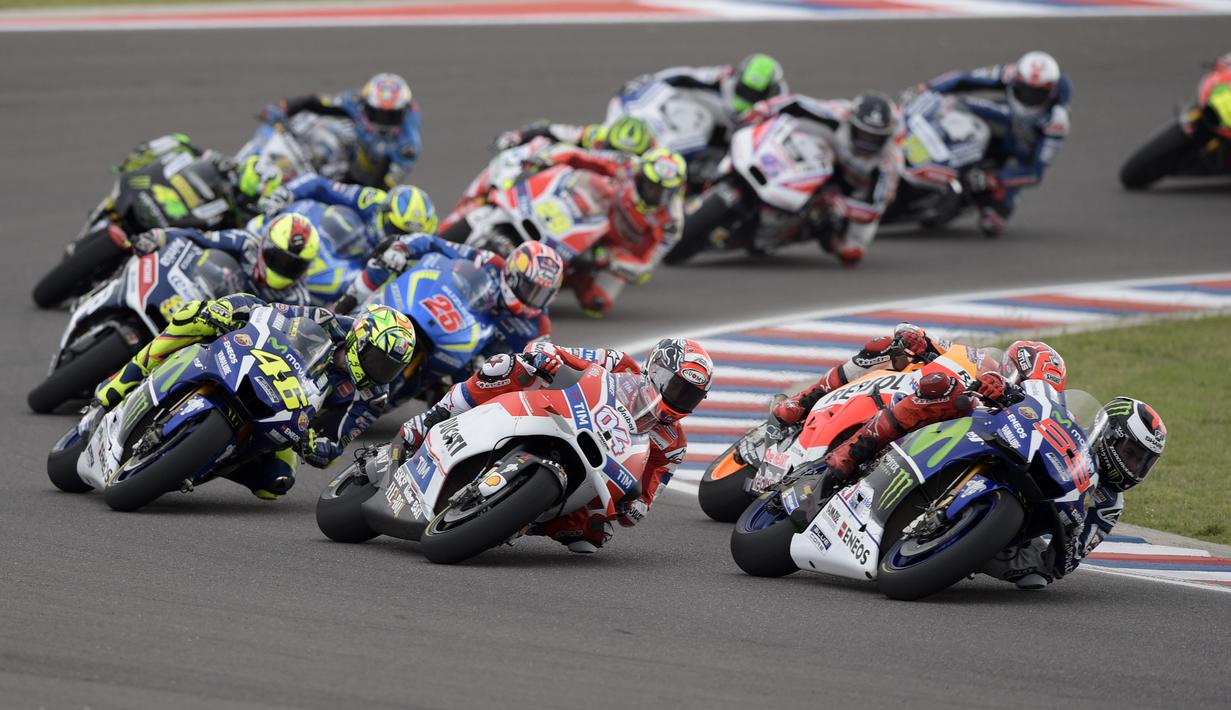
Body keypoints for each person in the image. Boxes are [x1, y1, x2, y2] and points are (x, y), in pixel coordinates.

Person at [398, 337, 715, 553]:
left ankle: (520, 518)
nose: (681, 399)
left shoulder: (673, 444)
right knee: (507, 366)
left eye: (690, 395)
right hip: (561, 411)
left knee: (593, 536)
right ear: (658, 371)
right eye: (677, 387)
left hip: (599, 462)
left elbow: (647, 494)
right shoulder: (619, 363)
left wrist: (638, 505)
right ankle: (433, 419)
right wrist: (546, 356)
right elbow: (553, 350)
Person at [93, 295, 418, 499]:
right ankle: (121, 383)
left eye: (390, 368)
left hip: (288, 417)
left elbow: (336, 446)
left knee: (276, 482)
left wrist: (310, 444)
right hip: (258, 367)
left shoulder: (373, 396)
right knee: (195, 315)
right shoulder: (329, 322)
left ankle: (193, 465)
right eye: (378, 359)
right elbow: (272, 313)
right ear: (360, 340)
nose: (380, 372)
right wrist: (231, 311)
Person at [772, 325, 1066, 484]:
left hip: (942, 440)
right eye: (1015, 375)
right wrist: (919, 340)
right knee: (884, 345)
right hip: (902, 396)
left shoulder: (1027, 415)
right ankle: (805, 400)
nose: (1014, 384)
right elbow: (939, 346)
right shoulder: (980, 363)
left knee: (946, 396)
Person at [982, 396, 1167, 590]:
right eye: (1129, 453)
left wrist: (1073, 530)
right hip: (1005, 461)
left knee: (1039, 574)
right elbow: (1029, 405)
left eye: (1141, 461)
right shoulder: (1068, 420)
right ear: (1110, 433)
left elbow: (1064, 566)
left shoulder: (1109, 504)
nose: (1133, 466)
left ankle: (966, 552)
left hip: (1012, 535)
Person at [915, 51, 1072, 236]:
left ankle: (984, 197)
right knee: (952, 107)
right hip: (1002, 118)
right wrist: (926, 88)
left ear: (1050, 93)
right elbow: (963, 78)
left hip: (1020, 150)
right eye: (1024, 90)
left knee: (992, 224)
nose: (1028, 98)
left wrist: (995, 179)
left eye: (1036, 94)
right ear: (1016, 81)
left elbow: (1035, 173)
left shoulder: (1057, 123)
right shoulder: (1009, 73)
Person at [742, 91, 903, 266]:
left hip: (854, 192)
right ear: (852, 122)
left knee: (851, 254)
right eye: (864, 134)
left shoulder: (889, 162)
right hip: (825, 161)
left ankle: (806, 232)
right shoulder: (839, 113)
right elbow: (797, 102)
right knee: (792, 131)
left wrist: (841, 204)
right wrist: (762, 109)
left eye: (876, 138)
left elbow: (874, 209)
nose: (868, 142)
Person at [337, 236, 565, 355]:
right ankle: (345, 310)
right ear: (514, 275)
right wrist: (403, 248)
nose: (533, 298)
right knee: (381, 263)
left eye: (542, 294)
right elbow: (436, 244)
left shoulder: (539, 328)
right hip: (446, 317)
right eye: (530, 289)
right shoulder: (488, 261)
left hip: (475, 364)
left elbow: (532, 370)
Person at [261, 72, 423, 188]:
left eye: (391, 116)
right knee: (323, 126)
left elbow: (385, 185)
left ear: (404, 111)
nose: (383, 121)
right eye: (377, 113)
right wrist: (284, 107)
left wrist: (344, 191)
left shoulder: (407, 146)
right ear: (366, 104)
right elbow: (317, 102)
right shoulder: (356, 102)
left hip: (367, 179)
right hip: (354, 151)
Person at [126, 212, 323, 306]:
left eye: (293, 266)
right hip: (195, 295)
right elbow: (199, 237)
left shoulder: (297, 299)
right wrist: (160, 237)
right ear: (265, 244)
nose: (283, 268)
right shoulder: (246, 242)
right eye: (278, 258)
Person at [96, 136, 284, 233]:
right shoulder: (225, 166)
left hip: (182, 227)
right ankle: (101, 212)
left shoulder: (252, 217)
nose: (241, 198)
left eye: (247, 198)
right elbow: (196, 154)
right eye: (240, 192)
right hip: (168, 199)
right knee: (177, 140)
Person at [263, 176, 438, 252]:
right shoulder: (371, 201)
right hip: (328, 241)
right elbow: (320, 185)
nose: (401, 239)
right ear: (384, 214)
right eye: (396, 230)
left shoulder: (422, 249)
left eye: (408, 236)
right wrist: (287, 192)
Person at [493, 115, 657, 156]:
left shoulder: (650, 163)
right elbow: (553, 130)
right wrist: (518, 136)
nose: (619, 158)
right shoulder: (595, 135)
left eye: (628, 155)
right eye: (614, 150)